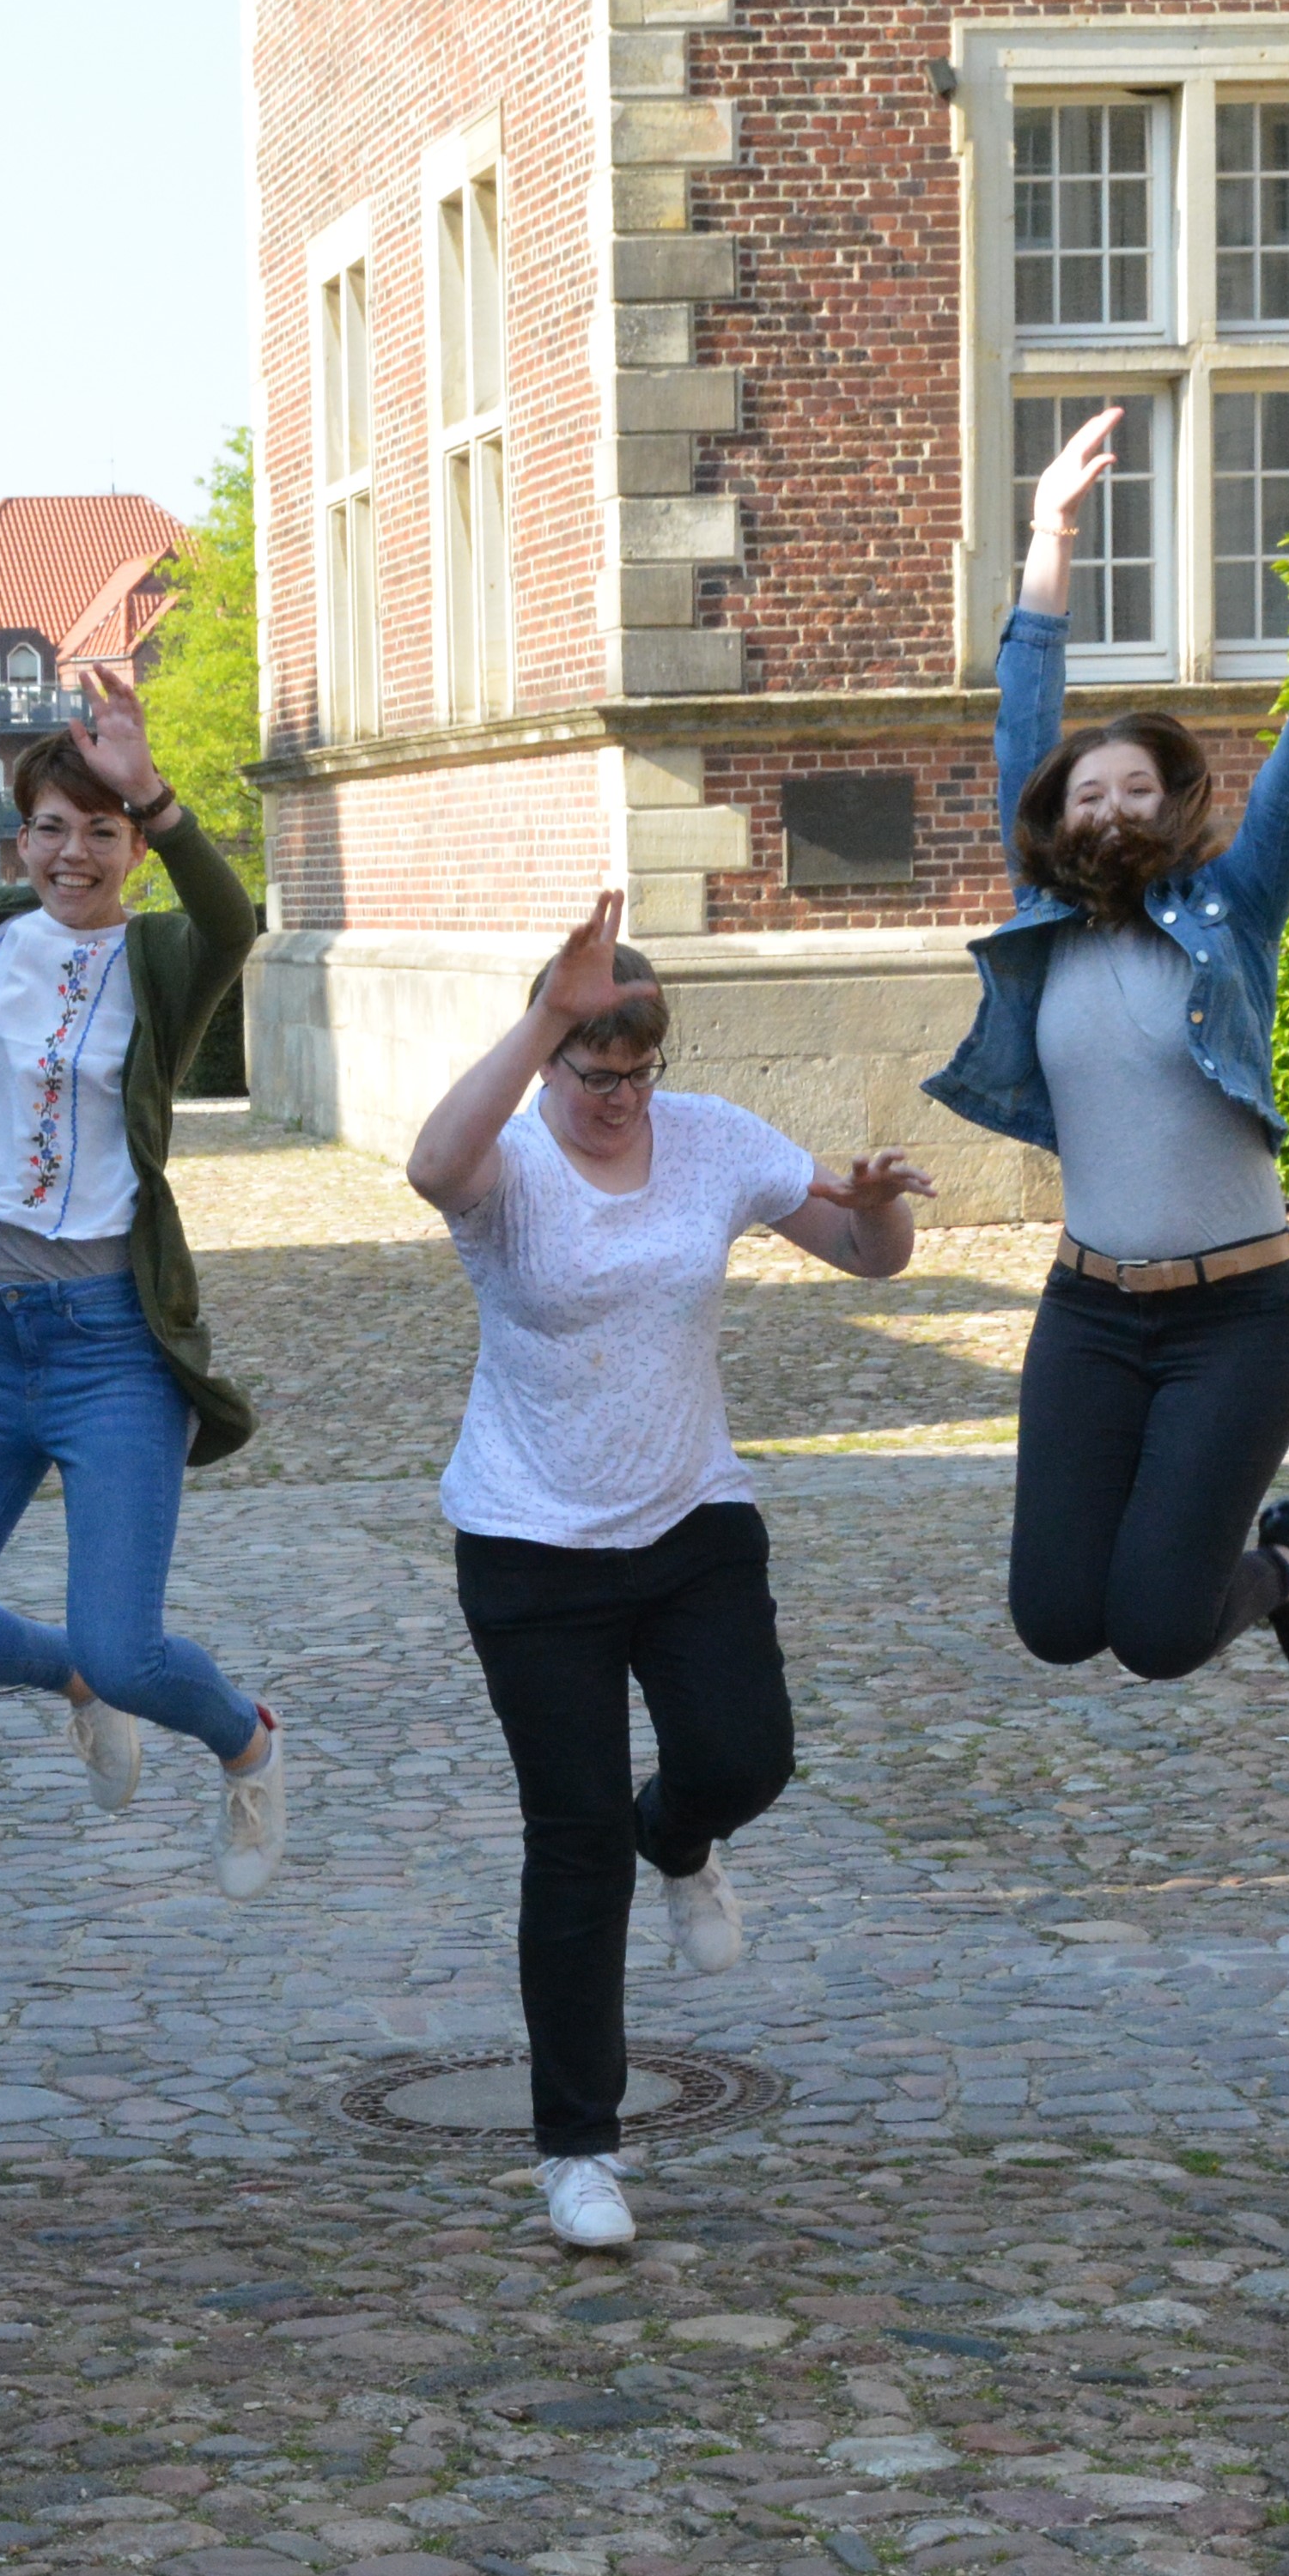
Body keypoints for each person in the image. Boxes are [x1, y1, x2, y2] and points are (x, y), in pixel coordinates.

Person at [406, 897, 926, 2251]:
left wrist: (876, 1215)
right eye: (595, 1072)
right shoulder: (508, 1163)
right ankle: (578, 2147)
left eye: (639, 1073)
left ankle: (683, 1833)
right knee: (572, 1846)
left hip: (693, 1519)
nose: (620, 1099)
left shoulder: (710, 1147)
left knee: (749, 1758)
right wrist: (541, 1019)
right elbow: (427, 1163)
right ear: (556, 1060)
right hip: (530, 1542)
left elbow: (863, 1253)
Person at [929, 404, 1289, 1688]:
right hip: (1087, 1312)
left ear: (1172, 809)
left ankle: (1288, 1566)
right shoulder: (1042, 927)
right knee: (1060, 1619)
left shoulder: (1235, 909)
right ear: (1055, 822)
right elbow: (1025, 712)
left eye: (1136, 789)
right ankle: (1249, 1564)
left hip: (1239, 1319)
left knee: (1166, 1632)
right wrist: (1049, 535)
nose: (1108, 805)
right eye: (1085, 792)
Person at [0, 681, 285, 1889]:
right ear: (18, 835)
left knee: (132, 1648)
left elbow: (231, 916)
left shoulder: (164, 955)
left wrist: (158, 792)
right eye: (48, 828)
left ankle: (245, 1744)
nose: (71, 854)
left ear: (132, 844)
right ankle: (70, 1678)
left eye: (100, 831)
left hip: (110, 1348)